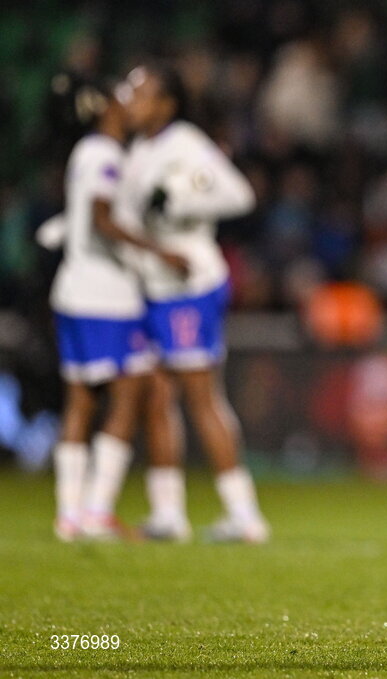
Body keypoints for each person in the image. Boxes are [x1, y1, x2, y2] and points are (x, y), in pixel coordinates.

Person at [114, 63, 270, 543]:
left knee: (201, 396)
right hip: (154, 286)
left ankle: (245, 516)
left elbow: (240, 196)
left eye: (141, 94)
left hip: (189, 287)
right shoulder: (139, 148)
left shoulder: (185, 142)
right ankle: (168, 514)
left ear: (167, 104)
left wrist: (181, 204)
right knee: (157, 396)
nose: (130, 101)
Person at [45, 73, 188, 541]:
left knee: (82, 399)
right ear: (107, 107)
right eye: (124, 97)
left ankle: (69, 514)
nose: (131, 104)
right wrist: (157, 251)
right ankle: (97, 509)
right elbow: (103, 218)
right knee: (133, 391)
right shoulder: (105, 154)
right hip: (105, 295)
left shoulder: (88, 152)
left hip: (74, 290)